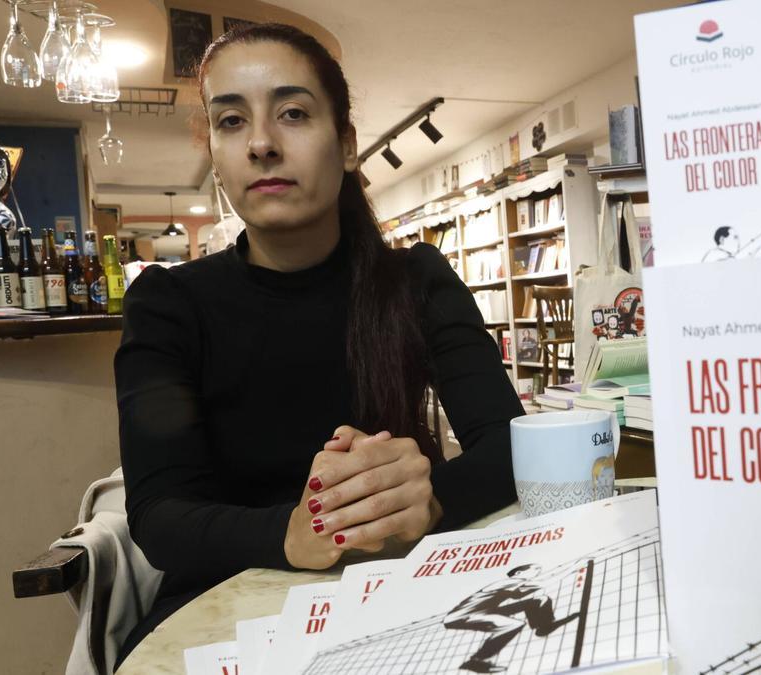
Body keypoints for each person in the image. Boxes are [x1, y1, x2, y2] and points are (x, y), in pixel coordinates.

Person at [113, 23, 522, 668]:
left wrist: (432, 497)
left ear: (348, 144)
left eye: (293, 114)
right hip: (227, 604)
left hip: (403, 590)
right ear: (215, 153)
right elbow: (161, 515)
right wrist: (291, 533)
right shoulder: (169, 304)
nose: (262, 145)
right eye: (230, 122)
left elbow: (510, 444)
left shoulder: (417, 280)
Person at [443, 564, 579, 673]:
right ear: (518, 573)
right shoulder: (508, 582)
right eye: (535, 570)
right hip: (461, 616)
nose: (537, 572)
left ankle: (543, 626)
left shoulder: (514, 585)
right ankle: (475, 661)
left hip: (485, 610)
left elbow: (520, 595)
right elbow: (543, 583)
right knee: (513, 624)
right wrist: (574, 567)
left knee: (539, 599)